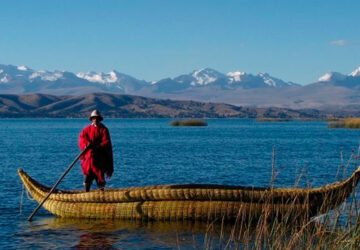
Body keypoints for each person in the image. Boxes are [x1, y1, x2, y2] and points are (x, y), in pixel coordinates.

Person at [79, 110, 113, 191]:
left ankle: (101, 195)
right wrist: (86, 145)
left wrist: (97, 146)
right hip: (89, 159)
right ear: (91, 119)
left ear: (99, 119)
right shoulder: (86, 130)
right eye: (94, 118)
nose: (95, 120)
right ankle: (86, 194)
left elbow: (106, 142)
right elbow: (82, 139)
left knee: (99, 178)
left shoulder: (104, 129)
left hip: (99, 159)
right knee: (87, 177)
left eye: (97, 118)